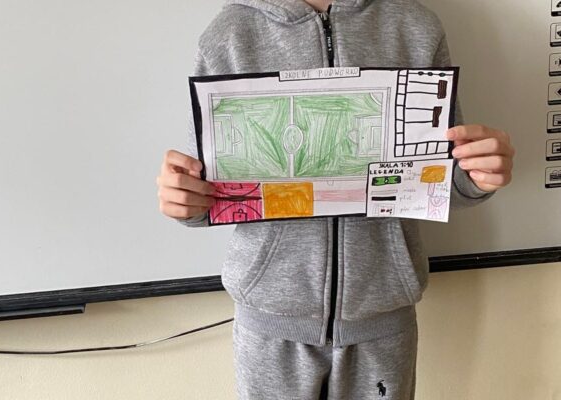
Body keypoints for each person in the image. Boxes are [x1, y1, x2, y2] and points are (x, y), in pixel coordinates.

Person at [156, 0, 515, 398]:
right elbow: (208, 185)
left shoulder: (414, 27)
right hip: (270, 326)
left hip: (382, 321)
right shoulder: (230, 32)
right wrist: (185, 200)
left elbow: (438, 178)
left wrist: (478, 177)